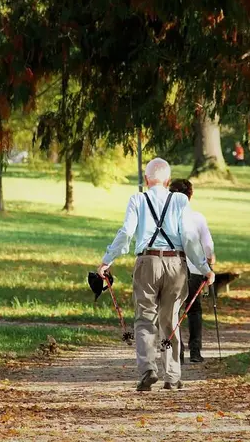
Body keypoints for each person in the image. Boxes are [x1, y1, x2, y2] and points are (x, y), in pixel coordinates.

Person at [97, 158, 215, 392]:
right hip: (175, 263)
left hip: (147, 262)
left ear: (146, 179)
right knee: (171, 319)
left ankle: (148, 370)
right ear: (168, 181)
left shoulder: (138, 199)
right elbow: (190, 239)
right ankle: (172, 375)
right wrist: (204, 268)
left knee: (144, 318)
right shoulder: (180, 200)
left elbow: (126, 233)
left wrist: (106, 261)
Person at [169, 179, 214, 364]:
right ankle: (195, 351)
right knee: (194, 310)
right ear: (190, 195)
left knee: (174, 309)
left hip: (173, 268)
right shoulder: (197, 218)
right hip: (195, 269)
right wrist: (210, 262)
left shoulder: (167, 219)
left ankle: (177, 352)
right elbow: (207, 245)